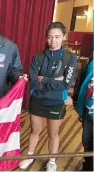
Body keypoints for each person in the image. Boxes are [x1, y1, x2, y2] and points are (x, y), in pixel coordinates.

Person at [19, 22, 77, 171]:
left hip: (56, 101)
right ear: (46, 38)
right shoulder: (38, 57)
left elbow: (65, 84)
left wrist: (44, 79)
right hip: (37, 100)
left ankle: (52, 161)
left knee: (53, 134)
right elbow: (33, 82)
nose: (53, 41)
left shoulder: (70, 57)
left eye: (57, 37)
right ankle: (29, 156)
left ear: (64, 37)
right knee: (34, 130)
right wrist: (53, 81)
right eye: (50, 37)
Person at [75, 55, 93, 171]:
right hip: (89, 109)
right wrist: (78, 106)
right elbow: (81, 83)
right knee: (87, 139)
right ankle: (88, 164)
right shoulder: (91, 61)